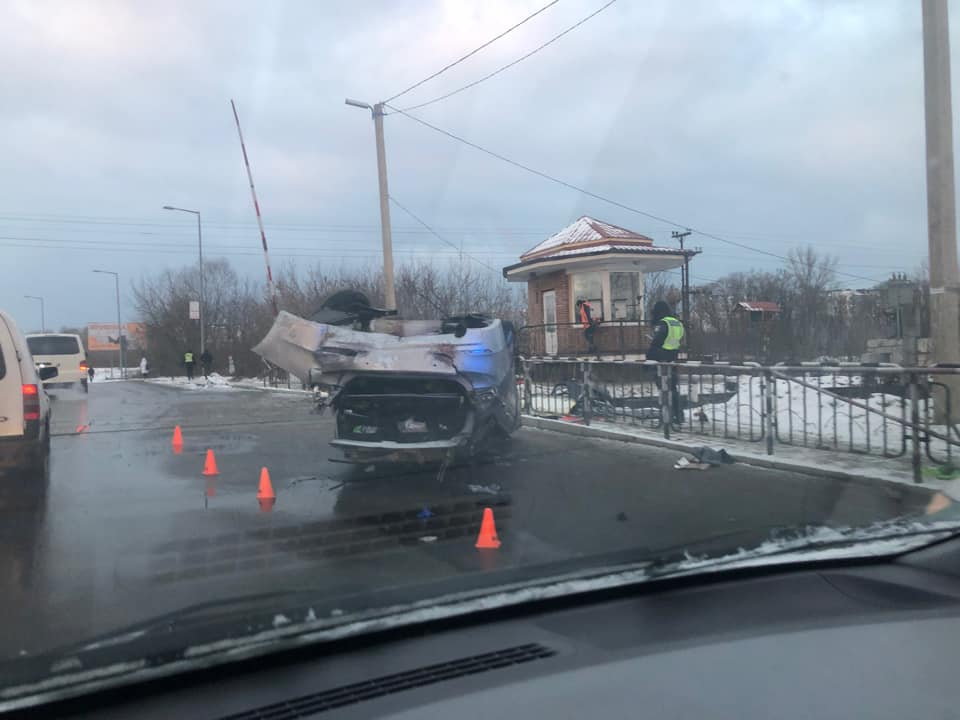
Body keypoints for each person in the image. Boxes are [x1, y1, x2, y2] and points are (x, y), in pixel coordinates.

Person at [647, 300, 685, 425]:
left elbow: (657, 341)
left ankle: (666, 416)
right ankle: (678, 415)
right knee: (673, 387)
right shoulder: (677, 322)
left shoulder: (663, 323)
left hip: (661, 358)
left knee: (663, 388)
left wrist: (648, 359)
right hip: (673, 357)